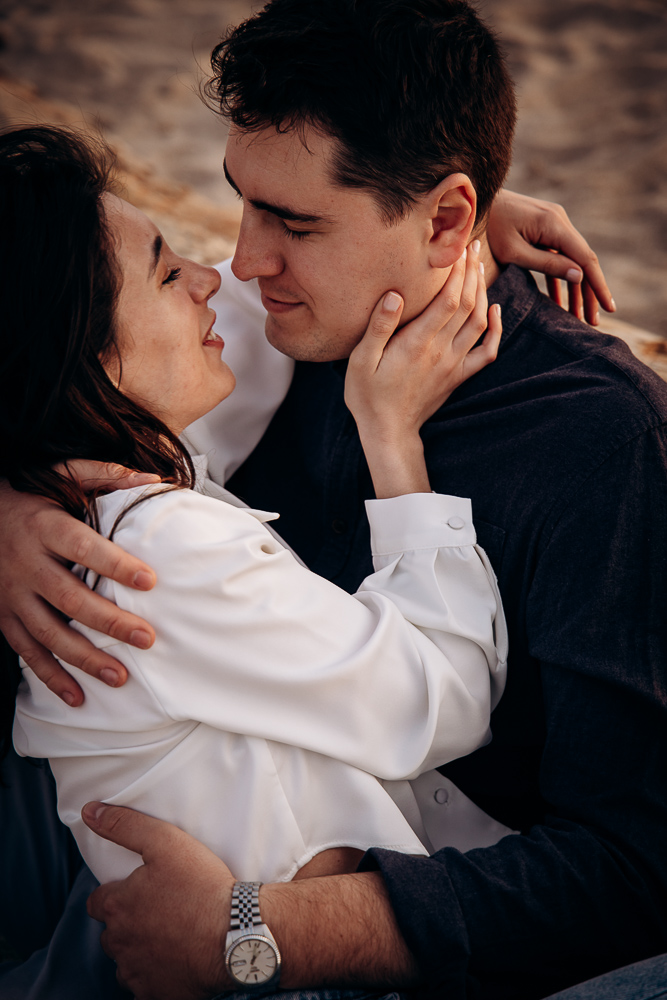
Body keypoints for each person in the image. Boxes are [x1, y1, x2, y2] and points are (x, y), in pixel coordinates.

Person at [2, 1, 665, 998]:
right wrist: (11, 494)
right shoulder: (270, 326)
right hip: (152, 826)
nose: (242, 261)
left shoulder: (601, 444)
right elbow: (37, 336)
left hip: (352, 911)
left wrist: (257, 931)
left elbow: (633, 869)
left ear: (443, 220)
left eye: (295, 222)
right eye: (244, 202)